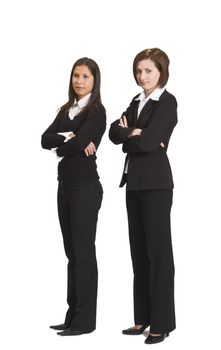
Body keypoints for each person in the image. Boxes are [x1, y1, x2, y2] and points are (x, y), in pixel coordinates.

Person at [109, 48, 177, 345]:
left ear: (161, 71)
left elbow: (149, 142)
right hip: (134, 183)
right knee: (138, 252)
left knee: (159, 254)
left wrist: (134, 135)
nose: (142, 76)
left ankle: (162, 323)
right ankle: (143, 318)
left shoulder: (167, 101)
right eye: (139, 71)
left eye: (148, 71)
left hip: (156, 185)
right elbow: (114, 132)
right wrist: (132, 135)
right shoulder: (136, 101)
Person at [41, 57, 106, 336]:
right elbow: (44, 138)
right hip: (65, 186)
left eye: (85, 77)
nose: (79, 81)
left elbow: (81, 143)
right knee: (72, 254)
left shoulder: (96, 111)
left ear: (94, 81)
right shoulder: (67, 110)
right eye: (76, 76)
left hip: (85, 189)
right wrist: (69, 137)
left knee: (83, 253)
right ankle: (71, 316)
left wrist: (67, 143)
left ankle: (84, 321)